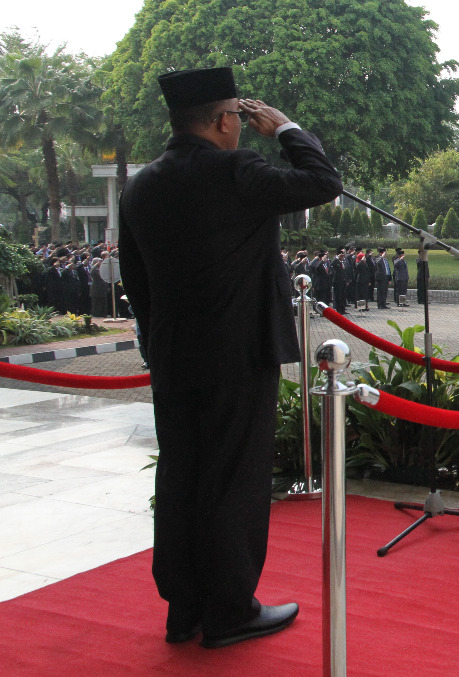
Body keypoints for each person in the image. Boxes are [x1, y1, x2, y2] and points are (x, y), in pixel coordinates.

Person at [119, 67, 342, 649]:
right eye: (239, 121)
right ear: (223, 121)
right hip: (237, 354)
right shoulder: (237, 169)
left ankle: (183, 609)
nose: (243, 130)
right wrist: (287, 127)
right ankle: (230, 611)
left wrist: (155, 341)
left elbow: (136, 277)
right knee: (233, 480)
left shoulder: (141, 185)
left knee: (182, 474)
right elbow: (322, 180)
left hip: (173, 355)